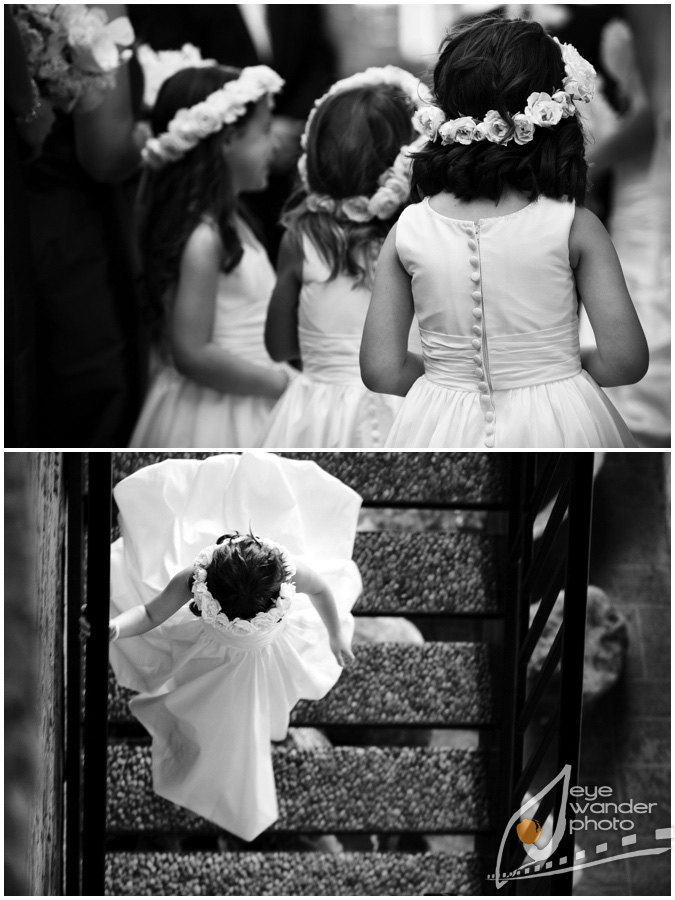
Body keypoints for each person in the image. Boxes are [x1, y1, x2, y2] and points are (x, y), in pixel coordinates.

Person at [360, 16, 648, 449]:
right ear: (555, 112)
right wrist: (555, 369)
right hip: (559, 418)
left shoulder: (409, 229)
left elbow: (381, 369)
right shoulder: (575, 226)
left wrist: (449, 383)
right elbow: (625, 361)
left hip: (437, 420)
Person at [104, 452, 361, 841]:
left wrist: (335, 633)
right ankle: (191, 751)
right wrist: (118, 629)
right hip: (207, 651)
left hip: (265, 656)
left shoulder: (287, 569)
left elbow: (324, 588)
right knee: (201, 707)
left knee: (255, 707)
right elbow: (151, 613)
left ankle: (244, 743)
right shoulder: (195, 576)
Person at [129, 65, 293, 447]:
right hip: (220, 410)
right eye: (265, 130)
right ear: (228, 140)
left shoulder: (233, 219)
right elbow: (191, 352)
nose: (275, 144)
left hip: (249, 392)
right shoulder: (203, 238)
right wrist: (281, 383)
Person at [263, 67, 427, 448]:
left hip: (318, 416)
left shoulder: (301, 238)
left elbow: (279, 345)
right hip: (411, 409)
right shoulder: (420, 239)